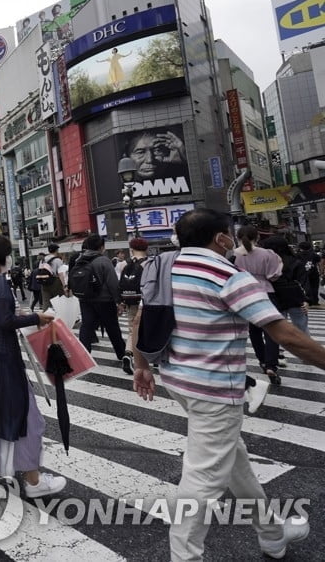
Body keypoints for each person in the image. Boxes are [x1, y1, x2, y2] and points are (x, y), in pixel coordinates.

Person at [133, 208, 325, 560]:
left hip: (178, 380)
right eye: (229, 235)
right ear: (221, 238)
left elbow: (143, 316)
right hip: (215, 389)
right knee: (203, 480)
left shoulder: (162, 266)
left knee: (235, 462)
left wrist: (141, 364)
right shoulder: (227, 274)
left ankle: (271, 533)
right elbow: (283, 332)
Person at [0, 234, 64, 497]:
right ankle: (33, 482)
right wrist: (37, 317)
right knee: (27, 417)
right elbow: (4, 321)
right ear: (2, 257)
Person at [233, 226, 284, 385]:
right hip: (265, 292)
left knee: (254, 331)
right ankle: (271, 365)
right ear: (258, 237)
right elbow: (274, 275)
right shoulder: (267, 254)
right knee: (271, 332)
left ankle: (262, 361)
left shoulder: (233, 255)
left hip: (245, 294)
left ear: (238, 237)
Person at [74, 234, 129, 370]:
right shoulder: (103, 261)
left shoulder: (80, 259)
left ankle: (83, 356)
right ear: (101, 247)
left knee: (86, 326)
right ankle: (121, 353)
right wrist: (119, 301)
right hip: (104, 300)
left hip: (85, 299)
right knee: (112, 327)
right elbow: (112, 283)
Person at [261, 236, 309, 335]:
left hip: (275, 297)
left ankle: (280, 347)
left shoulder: (266, 262)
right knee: (301, 327)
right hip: (295, 297)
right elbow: (303, 281)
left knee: (279, 329)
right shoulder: (295, 261)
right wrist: (306, 299)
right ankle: (306, 348)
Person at [118, 237, 148, 374]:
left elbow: (120, 283)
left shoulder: (123, 264)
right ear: (146, 249)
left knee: (132, 329)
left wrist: (121, 302)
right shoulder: (149, 263)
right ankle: (149, 356)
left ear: (131, 249)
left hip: (130, 301)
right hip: (146, 302)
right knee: (148, 328)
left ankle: (128, 353)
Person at [122, 129, 187, 183]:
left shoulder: (181, 172)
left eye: (157, 151)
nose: (149, 160)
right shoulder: (118, 186)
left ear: (167, 152)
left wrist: (185, 159)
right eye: (140, 152)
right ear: (126, 157)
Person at [38, 243, 65, 310]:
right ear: (56, 250)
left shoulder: (42, 260)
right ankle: (60, 316)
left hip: (44, 281)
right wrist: (64, 285)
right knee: (59, 300)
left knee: (46, 301)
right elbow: (61, 273)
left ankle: (46, 317)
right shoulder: (58, 260)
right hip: (55, 281)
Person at [296, 241, 320, 306]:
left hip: (302, 274)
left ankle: (308, 301)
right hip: (314, 273)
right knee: (315, 287)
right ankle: (315, 301)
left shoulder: (297, 255)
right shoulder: (314, 255)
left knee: (305, 287)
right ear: (309, 247)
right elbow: (318, 262)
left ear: (300, 247)